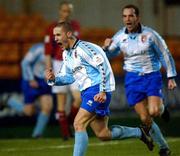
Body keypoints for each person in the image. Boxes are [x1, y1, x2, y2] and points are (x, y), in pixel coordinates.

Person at [45, 22, 154, 156]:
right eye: (54, 35)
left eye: (58, 34)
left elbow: (103, 68)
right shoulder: (66, 54)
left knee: (78, 124)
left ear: (68, 34)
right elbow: (69, 77)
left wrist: (102, 90)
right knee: (103, 134)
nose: (55, 38)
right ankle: (139, 132)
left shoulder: (85, 48)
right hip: (86, 92)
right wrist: (54, 79)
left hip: (97, 90)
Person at [103, 4, 177, 156]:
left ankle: (162, 110)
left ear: (138, 17)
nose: (127, 19)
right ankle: (164, 147)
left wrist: (171, 76)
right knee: (145, 118)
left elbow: (165, 54)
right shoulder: (119, 37)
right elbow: (110, 55)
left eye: (131, 16)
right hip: (132, 79)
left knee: (154, 111)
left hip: (151, 76)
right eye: (124, 16)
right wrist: (105, 48)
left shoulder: (151, 35)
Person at [44, 1, 81, 140]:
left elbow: (78, 45)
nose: (66, 13)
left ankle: (70, 123)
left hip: (73, 63)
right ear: (60, 11)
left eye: (68, 11)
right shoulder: (51, 28)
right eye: (64, 11)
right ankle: (65, 134)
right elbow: (47, 52)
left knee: (78, 98)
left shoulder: (75, 25)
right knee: (61, 101)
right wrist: (48, 70)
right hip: (58, 64)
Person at [7, 43, 53, 138]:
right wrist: (31, 79)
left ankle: (37, 134)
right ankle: (8, 101)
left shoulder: (62, 51)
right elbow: (25, 63)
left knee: (48, 107)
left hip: (45, 82)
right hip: (32, 80)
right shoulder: (39, 48)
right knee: (29, 112)